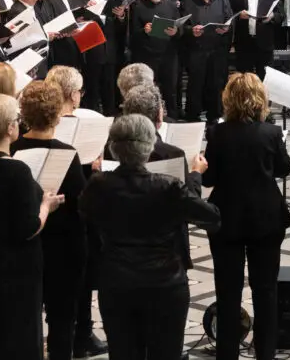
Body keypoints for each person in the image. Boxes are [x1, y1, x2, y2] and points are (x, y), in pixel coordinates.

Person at [80, 114, 219, 360]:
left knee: (123, 353)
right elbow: (211, 216)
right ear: (149, 146)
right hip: (164, 283)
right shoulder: (168, 186)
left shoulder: (99, 185)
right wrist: (194, 176)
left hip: (117, 281)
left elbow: (86, 212)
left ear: (113, 147)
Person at [0, 94, 64, 359]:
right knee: (21, 331)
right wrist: (46, 206)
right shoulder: (17, 171)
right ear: (9, 128)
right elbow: (28, 228)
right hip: (17, 267)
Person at [203, 73, 290, 360]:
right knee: (265, 291)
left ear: (228, 99)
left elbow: (209, 180)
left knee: (227, 292)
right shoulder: (271, 133)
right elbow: (284, 168)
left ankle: (226, 354)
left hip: (226, 218)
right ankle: (265, 353)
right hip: (265, 217)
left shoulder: (217, 133)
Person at [11, 82, 88, 360]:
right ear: (57, 115)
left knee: (24, 318)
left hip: (24, 244)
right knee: (62, 319)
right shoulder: (68, 153)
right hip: (64, 247)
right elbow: (81, 204)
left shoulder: (13, 148)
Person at [181, 0, 234, 123]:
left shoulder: (222, 0)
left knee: (216, 84)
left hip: (217, 50)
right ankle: (193, 115)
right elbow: (181, 26)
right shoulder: (188, 1)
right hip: (196, 50)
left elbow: (230, 20)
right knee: (196, 85)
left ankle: (215, 116)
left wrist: (226, 28)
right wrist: (192, 31)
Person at [130, 0, 182, 115]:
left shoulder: (171, 5)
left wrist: (176, 31)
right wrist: (144, 31)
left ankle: (172, 116)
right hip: (147, 55)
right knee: (147, 89)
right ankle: (147, 116)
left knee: (170, 88)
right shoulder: (139, 7)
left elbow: (180, 29)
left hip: (168, 54)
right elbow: (133, 34)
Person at [79, 0, 124, 115]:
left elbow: (117, 30)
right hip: (90, 54)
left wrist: (121, 17)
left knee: (109, 93)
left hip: (109, 53)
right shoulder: (79, 1)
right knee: (92, 93)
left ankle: (110, 123)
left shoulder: (109, 0)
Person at [229, 0, 282, 80]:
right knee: (244, 82)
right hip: (243, 43)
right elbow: (229, 14)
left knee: (264, 81)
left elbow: (281, 15)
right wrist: (238, 15)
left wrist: (272, 16)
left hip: (265, 43)